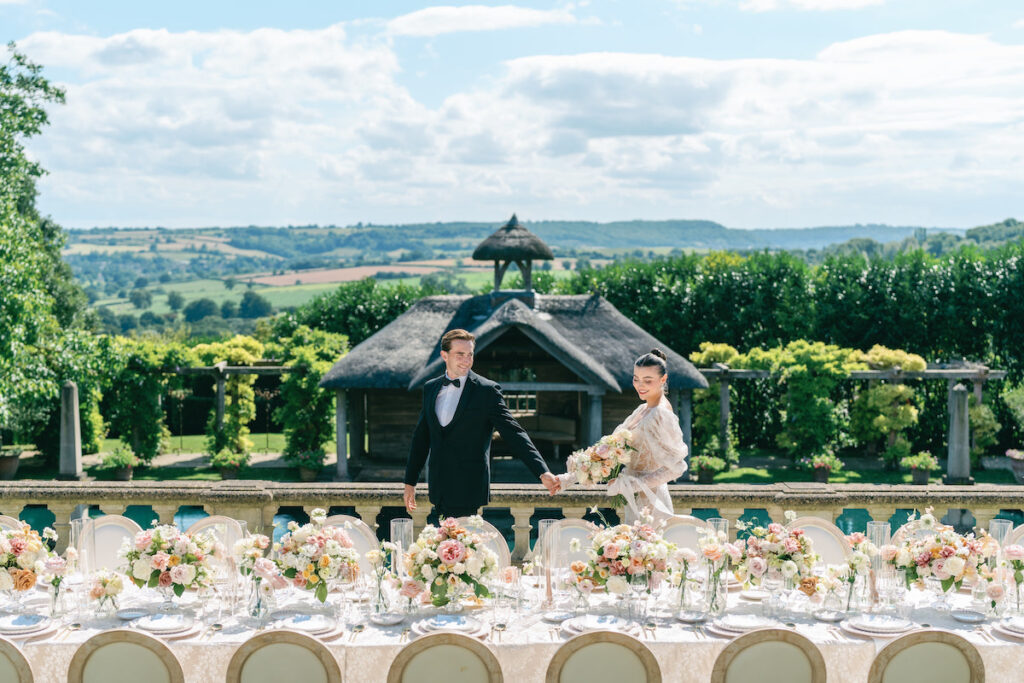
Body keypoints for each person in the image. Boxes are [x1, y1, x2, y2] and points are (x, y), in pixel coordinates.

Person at [403, 328, 561, 521]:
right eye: (460, 354)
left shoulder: (487, 391)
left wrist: (542, 472)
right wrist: (410, 482)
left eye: (470, 354)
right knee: (445, 546)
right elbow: (421, 438)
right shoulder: (431, 388)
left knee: (462, 545)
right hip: (439, 486)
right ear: (444, 355)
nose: (466, 360)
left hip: (469, 486)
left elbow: (514, 433)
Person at [605, 348, 689, 523]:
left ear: (663, 379)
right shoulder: (642, 409)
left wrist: (631, 485)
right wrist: (569, 478)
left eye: (647, 380)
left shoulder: (661, 413)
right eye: (636, 379)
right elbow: (611, 448)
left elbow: (677, 467)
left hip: (652, 503)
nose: (640, 385)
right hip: (633, 498)